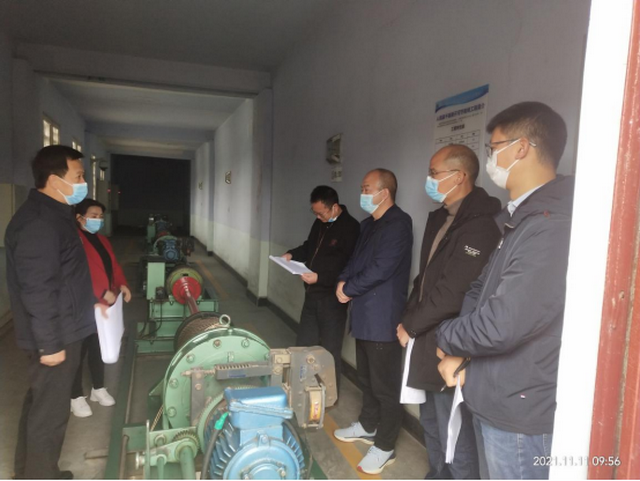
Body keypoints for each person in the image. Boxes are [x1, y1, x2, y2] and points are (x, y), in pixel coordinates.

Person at [436, 102, 574, 480]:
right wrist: (460, 347)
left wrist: (445, 336)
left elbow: (503, 324)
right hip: (496, 394)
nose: (490, 158)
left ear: (521, 148)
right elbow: (479, 288)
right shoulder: (521, 217)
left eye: (494, 148)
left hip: (519, 412)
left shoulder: (549, 226)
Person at [397, 144, 501, 479]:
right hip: (425, 336)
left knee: (453, 429)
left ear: (458, 177)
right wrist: (407, 319)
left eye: (434, 173)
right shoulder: (441, 218)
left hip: (450, 344)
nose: (428, 180)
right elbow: (425, 278)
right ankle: (436, 473)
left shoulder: (481, 226)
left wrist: (412, 325)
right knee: (430, 420)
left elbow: (454, 292)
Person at [5, 145, 106, 479]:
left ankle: (32, 472)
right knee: (49, 415)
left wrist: (88, 302)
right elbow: (38, 287)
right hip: (56, 335)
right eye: (78, 176)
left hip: (64, 326)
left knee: (42, 405)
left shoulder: (55, 216)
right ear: (53, 180)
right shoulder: (39, 224)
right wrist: (49, 344)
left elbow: (63, 277)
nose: (83, 183)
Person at [333, 168, 413, 475]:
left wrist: (349, 289)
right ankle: (368, 425)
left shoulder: (399, 224)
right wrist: (342, 281)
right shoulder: (368, 224)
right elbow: (355, 261)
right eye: (363, 188)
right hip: (364, 315)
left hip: (383, 318)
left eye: (367, 188)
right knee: (366, 378)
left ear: (384, 192)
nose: (362, 193)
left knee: (385, 386)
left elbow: (382, 267)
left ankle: (385, 445)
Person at [282, 186, 360, 393]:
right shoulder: (319, 223)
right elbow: (309, 247)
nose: (318, 217)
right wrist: (291, 255)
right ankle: (301, 390)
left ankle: (329, 395)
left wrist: (321, 278)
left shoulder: (350, 228)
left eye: (321, 213)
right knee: (303, 345)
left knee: (329, 350)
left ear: (334, 207)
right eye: (314, 213)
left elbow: (349, 266)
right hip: (312, 295)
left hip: (332, 301)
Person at [70, 198, 132, 417]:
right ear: (79, 218)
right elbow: (77, 275)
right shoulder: (73, 241)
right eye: (93, 216)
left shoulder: (102, 240)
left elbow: (112, 265)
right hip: (82, 305)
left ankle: (98, 388)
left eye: (100, 216)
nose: (98, 220)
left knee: (99, 345)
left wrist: (121, 284)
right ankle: (75, 396)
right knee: (78, 351)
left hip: (103, 305)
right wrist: (100, 293)